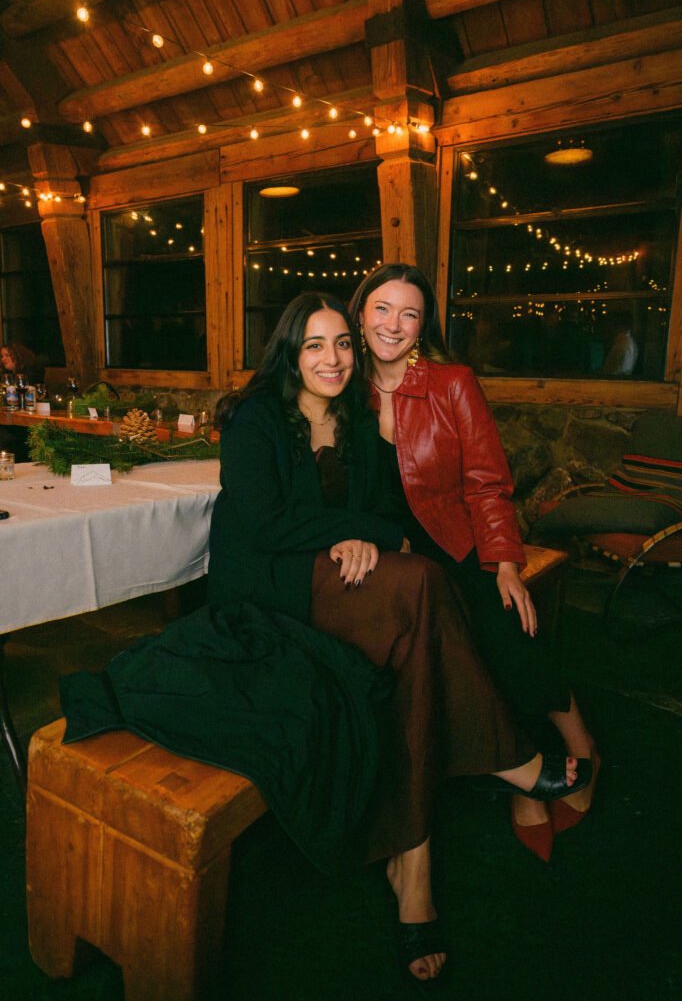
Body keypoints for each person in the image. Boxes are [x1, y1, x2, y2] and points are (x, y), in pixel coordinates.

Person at [207, 291, 589, 981]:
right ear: (289, 352)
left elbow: (378, 505)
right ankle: (511, 759)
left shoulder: (356, 420)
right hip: (269, 593)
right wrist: (367, 536)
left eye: (342, 344)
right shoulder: (254, 416)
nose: (333, 358)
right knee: (416, 583)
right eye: (315, 345)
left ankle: (414, 869)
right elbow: (265, 524)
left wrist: (370, 532)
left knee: (415, 637)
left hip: (333, 581)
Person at [348, 265, 600, 864]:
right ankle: (520, 775)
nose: (394, 324)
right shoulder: (339, 385)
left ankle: (579, 744)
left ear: (422, 326)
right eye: (382, 309)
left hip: (453, 541)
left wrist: (506, 563)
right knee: (446, 659)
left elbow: (487, 483)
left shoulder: (451, 382)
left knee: (504, 629)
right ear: (359, 314)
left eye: (409, 313)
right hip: (391, 555)